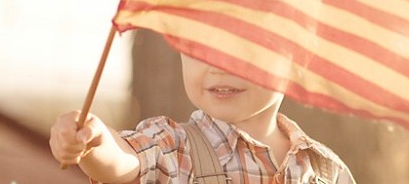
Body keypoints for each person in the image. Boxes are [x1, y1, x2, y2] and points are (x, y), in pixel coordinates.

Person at [50, 52, 356, 183]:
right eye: (200, 47)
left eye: (243, 49)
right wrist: (96, 140)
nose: (219, 65)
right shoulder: (175, 147)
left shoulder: (325, 170)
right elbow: (127, 159)